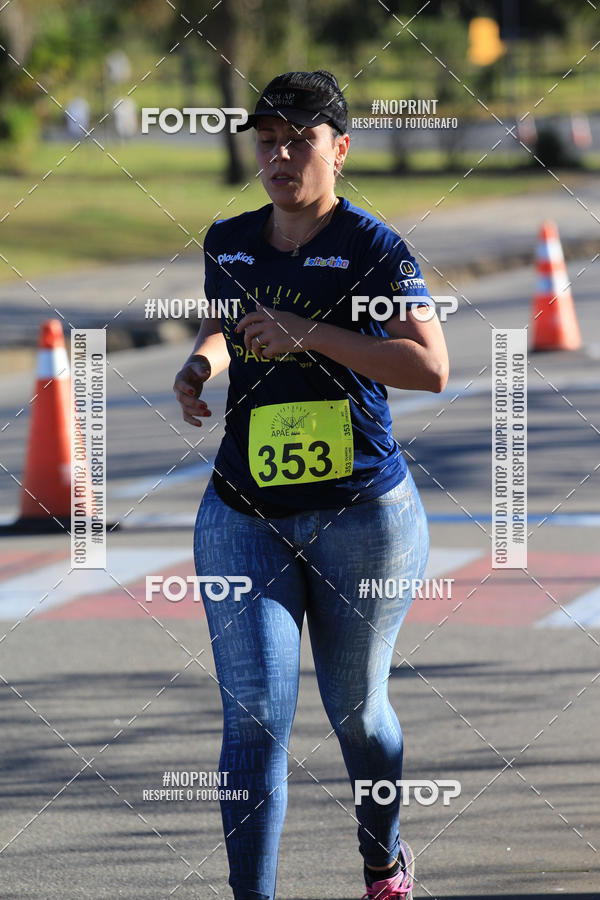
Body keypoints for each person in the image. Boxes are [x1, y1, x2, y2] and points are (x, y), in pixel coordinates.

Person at [173, 70, 449, 900]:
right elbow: (226, 325)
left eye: (300, 140)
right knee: (254, 719)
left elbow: (429, 366)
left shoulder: (374, 248)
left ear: (341, 148)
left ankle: (382, 857)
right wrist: (201, 364)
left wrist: (310, 334)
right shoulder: (229, 240)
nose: (280, 156)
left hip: (362, 516)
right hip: (244, 510)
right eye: (268, 141)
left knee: (358, 714)